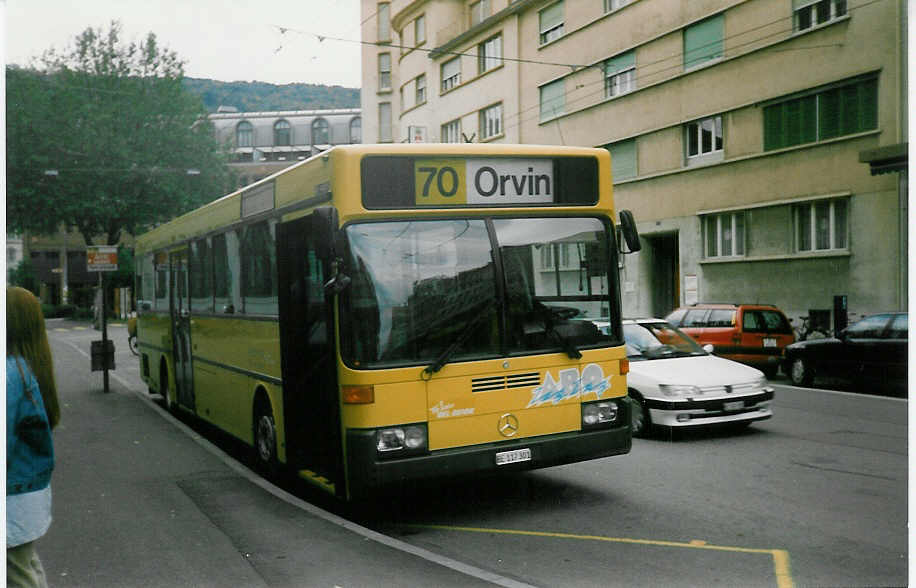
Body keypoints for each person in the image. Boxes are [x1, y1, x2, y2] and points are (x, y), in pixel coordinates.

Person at [7, 287, 60, 587]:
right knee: (26, 567)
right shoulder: (28, 368)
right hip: (29, 495)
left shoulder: (9, 374)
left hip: (12, 498)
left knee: (17, 574)